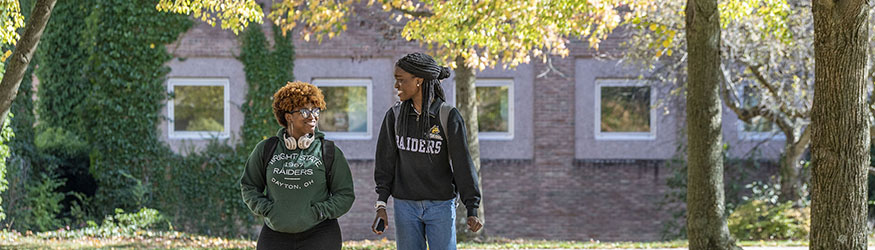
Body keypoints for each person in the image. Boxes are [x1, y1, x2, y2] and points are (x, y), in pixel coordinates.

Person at [373, 52, 483, 250]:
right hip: (405, 206)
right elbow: (385, 163)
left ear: (419, 80)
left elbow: (462, 163)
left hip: (440, 205)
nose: (396, 86)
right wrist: (381, 204)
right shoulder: (395, 116)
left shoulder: (447, 115)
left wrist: (472, 207)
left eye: (400, 80)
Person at [240, 81, 355, 250]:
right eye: (305, 111)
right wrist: (268, 210)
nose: (313, 116)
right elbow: (249, 186)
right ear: (288, 116)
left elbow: (345, 194)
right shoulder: (266, 149)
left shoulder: (328, 151)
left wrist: (319, 212)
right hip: (274, 235)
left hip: (320, 235)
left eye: (315, 110)